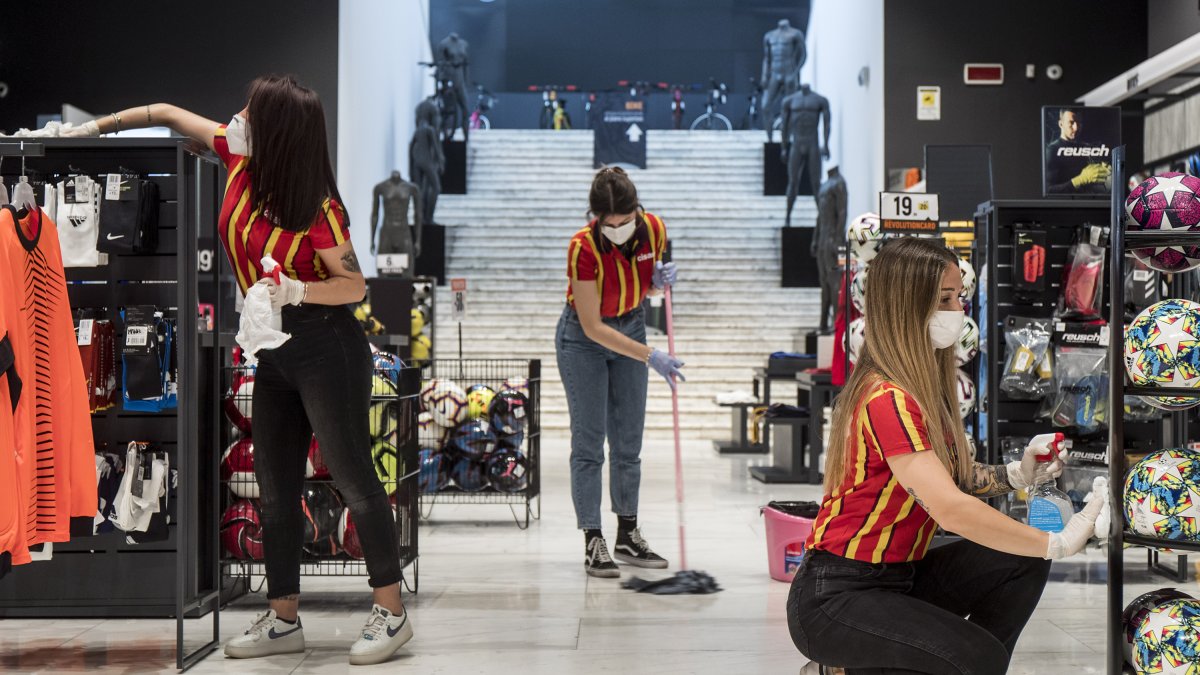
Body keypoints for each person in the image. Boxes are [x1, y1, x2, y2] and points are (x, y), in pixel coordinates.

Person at [62, 75, 413, 666]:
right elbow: (168, 109)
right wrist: (88, 129)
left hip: (327, 346)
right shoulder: (236, 153)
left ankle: (392, 612)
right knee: (274, 491)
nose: (238, 115)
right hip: (272, 349)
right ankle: (283, 619)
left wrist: (297, 287)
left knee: (354, 480)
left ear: (278, 131)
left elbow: (353, 284)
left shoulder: (319, 208)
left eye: (253, 110)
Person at [787, 237, 1103, 675]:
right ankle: (856, 665)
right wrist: (1057, 542)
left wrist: (1018, 473)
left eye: (959, 296)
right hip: (838, 593)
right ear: (907, 305)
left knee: (1020, 565)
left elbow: (956, 478)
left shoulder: (922, 389)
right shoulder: (887, 396)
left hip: (903, 576)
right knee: (976, 656)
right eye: (944, 299)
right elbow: (951, 509)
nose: (958, 309)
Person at [556, 167, 684, 578]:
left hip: (630, 324)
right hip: (582, 339)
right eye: (609, 225)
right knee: (590, 441)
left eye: (625, 222)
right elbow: (594, 327)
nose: (619, 230)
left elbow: (645, 286)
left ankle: (627, 533)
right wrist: (651, 355)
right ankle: (593, 538)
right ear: (595, 218)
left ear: (635, 210)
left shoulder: (653, 230)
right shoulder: (583, 247)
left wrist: (658, 282)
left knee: (628, 441)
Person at [1044, 108, 1112, 195]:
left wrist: (1104, 170)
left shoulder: (1086, 147)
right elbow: (1048, 191)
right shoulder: (1052, 150)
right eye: (1071, 122)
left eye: (1079, 123)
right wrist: (1079, 180)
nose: (1076, 128)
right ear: (1061, 124)